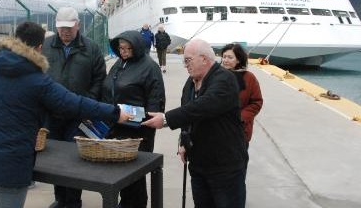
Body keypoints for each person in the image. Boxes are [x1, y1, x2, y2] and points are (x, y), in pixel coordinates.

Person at [0, 21, 131, 208]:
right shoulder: (37, 80)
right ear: (39, 48)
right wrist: (115, 113)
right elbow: (74, 104)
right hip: (10, 163)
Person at [142, 39, 248, 208]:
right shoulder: (190, 82)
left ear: (204, 59)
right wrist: (184, 142)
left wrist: (166, 119)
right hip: (199, 164)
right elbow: (188, 112)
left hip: (224, 167)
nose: (185, 65)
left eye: (188, 60)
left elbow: (202, 107)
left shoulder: (225, 79)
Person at [42, 6, 107, 208]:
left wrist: (88, 102)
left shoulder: (91, 48)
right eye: (61, 27)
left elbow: (99, 79)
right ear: (56, 26)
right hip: (51, 114)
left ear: (78, 25)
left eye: (69, 27)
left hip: (78, 115)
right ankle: (60, 198)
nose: (65, 31)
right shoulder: (45, 46)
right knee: (54, 159)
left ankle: (73, 201)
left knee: (74, 159)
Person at [102, 30, 166, 208]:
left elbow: (156, 100)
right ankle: (126, 202)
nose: (122, 51)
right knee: (120, 170)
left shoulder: (149, 67)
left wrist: (146, 123)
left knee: (134, 173)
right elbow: (108, 88)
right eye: (120, 48)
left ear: (136, 47)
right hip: (116, 125)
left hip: (138, 130)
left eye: (127, 48)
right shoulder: (120, 63)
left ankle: (135, 204)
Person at [220, 43, 263, 144]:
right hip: (218, 130)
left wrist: (240, 117)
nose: (225, 60)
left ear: (238, 60)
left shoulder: (249, 78)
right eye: (224, 57)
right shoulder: (216, 75)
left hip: (240, 131)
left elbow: (256, 102)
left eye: (230, 57)